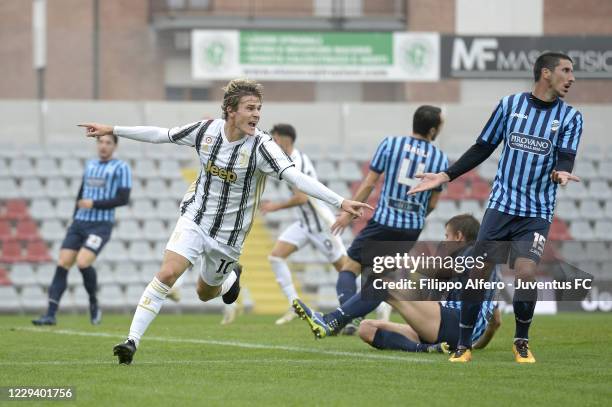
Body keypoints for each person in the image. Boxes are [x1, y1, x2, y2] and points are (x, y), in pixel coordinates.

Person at [78, 78, 371, 365]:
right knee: (167, 274)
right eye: (250, 108)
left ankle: (230, 276)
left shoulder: (262, 146)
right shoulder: (206, 130)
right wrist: (112, 129)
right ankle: (131, 341)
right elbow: (162, 134)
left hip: (228, 237)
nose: (256, 114)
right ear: (231, 110)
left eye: (259, 108)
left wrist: (340, 201)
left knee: (205, 294)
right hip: (195, 218)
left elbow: (295, 177)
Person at [408, 52, 582, 363]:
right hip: (501, 205)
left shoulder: (571, 117)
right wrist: (446, 174)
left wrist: (563, 171)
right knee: (478, 270)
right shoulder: (509, 105)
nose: (572, 78)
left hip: (537, 211)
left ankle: (522, 341)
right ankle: (463, 345)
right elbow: (483, 147)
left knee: (527, 273)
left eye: (572, 72)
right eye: (566, 71)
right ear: (546, 73)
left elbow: (566, 155)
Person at [296, 105, 448, 335]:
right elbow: (434, 203)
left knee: (349, 267)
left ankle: (339, 320)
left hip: (384, 222)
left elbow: (369, 183)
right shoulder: (440, 158)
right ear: (433, 129)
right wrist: (414, 216)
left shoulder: (390, 144)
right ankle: (342, 319)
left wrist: (347, 213)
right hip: (410, 230)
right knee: (380, 284)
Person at [358, 214, 502, 354]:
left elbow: (441, 268)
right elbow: (496, 322)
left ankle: (338, 318)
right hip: (448, 331)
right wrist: (475, 344)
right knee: (366, 328)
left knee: (382, 285)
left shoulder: (470, 255)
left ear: (458, 236)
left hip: (454, 323)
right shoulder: (488, 271)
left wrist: (400, 262)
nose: (444, 242)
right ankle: (425, 348)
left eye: (447, 236)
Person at [32, 134, 132, 326]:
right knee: (62, 263)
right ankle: (50, 314)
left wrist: (94, 203)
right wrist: (74, 217)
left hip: (100, 225)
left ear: (115, 146)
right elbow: (81, 194)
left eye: (108, 143)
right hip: (79, 224)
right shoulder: (90, 165)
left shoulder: (121, 168)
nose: (103, 146)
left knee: (83, 262)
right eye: (100, 142)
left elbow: (123, 199)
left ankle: (93, 302)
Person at [259, 123, 349, 325]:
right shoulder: (289, 159)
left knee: (345, 270)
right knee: (276, 257)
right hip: (304, 224)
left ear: (284, 139)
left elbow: (301, 198)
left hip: (320, 224)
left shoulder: (296, 162)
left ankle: (378, 303)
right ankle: (294, 304)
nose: (273, 142)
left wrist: (275, 206)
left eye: (275, 138)